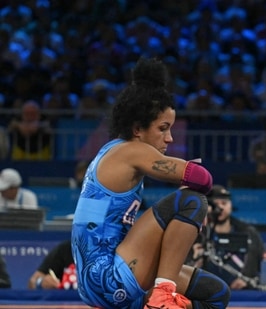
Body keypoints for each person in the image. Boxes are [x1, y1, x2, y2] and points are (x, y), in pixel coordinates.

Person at [71, 57, 230, 309]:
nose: (169, 138)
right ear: (137, 129)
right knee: (191, 201)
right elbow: (202, 179)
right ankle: (163, 294)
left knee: (216, 293)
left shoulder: (111, 151)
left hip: (105, 276)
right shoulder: (131, 150)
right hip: (109, 277)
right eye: (163, 128)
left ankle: (162, 299)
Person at [187, 185, 266, 290]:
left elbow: (260, 261)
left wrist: (245, 280)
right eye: (215, 204)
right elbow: (183, 269)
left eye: (224, 203)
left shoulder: (248, 232)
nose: (220, 208)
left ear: (231, 205)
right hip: (205, 290)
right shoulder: (197, 233)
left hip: (242, 291)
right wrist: (195, 262)